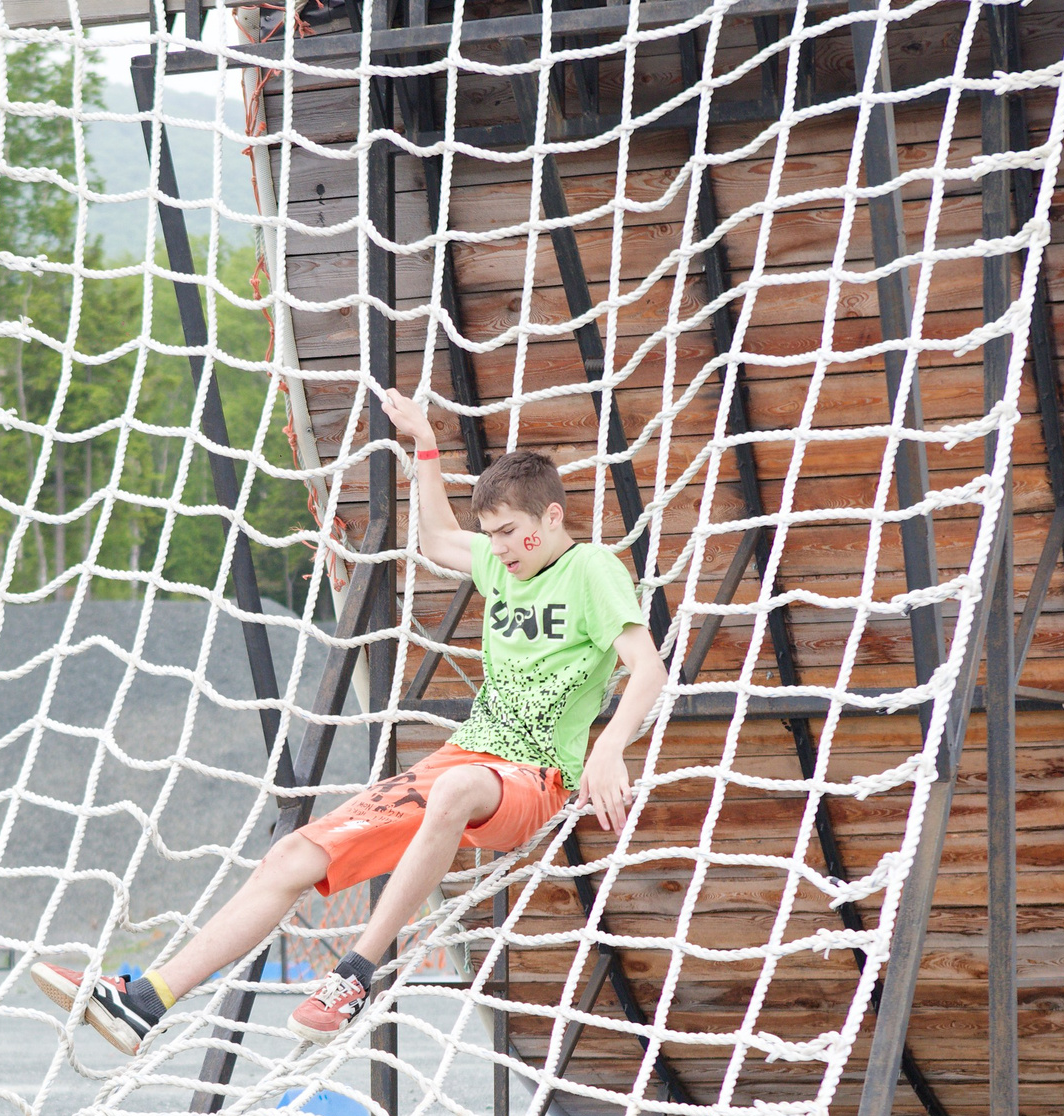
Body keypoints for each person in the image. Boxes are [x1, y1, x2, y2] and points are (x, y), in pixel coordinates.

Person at [32, 387, 665, 1054]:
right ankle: (143, 1002)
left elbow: (646, 667)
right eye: (493, 535)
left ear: (553, 516)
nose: (500, 548)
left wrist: (609, 748)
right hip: (469, 756)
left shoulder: (589, 568)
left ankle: (355, 974)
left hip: (534, 775)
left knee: (453, 790)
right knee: (291, 855)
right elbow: (437, 536)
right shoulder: (497, 563)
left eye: (510, 532)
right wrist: (423, 444)